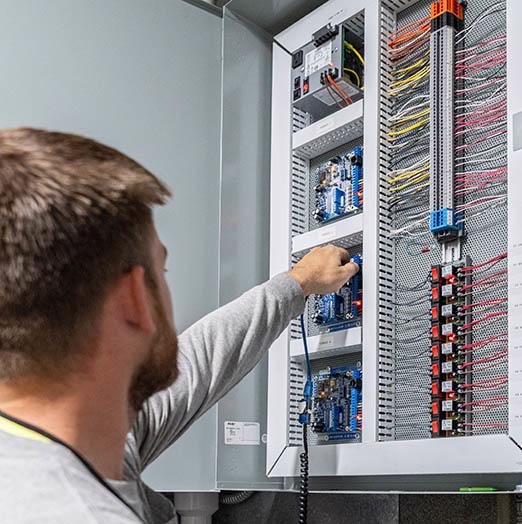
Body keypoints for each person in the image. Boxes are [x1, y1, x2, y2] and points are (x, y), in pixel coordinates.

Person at [0, 128, 359, 524]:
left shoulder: (75, 435)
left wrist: (299, 282)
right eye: (161, 269)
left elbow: (202, 362)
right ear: (134, 298)